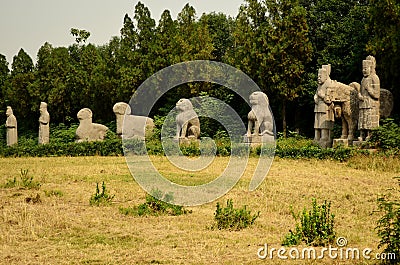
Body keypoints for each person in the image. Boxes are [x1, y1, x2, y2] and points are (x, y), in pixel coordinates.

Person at [358, 56, 380, 141]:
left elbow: (377, 95)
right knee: (362, 120)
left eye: (365, 69)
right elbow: (360, 90)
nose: (364, 70)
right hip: (363, 103)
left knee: (369, 120)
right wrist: (359, 95)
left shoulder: (375, 78)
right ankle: (362, 134)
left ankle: (369, 135)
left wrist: (369, 90)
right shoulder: (363, 79)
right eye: (363, 69)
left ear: (370, 68)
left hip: (371, 104)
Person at [314, 65, 335, 148]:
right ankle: (316, 137)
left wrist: (321, 95)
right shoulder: (319, 85)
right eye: (318, 76)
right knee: (317, 123)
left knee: (324, 124)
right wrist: (315, 97)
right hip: (318, 106)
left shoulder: (329, 84)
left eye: (320, 76)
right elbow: (316, 94)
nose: (318, 78)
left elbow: (330, 98)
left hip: (326, 108)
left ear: (325, 76)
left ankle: (324, 137)